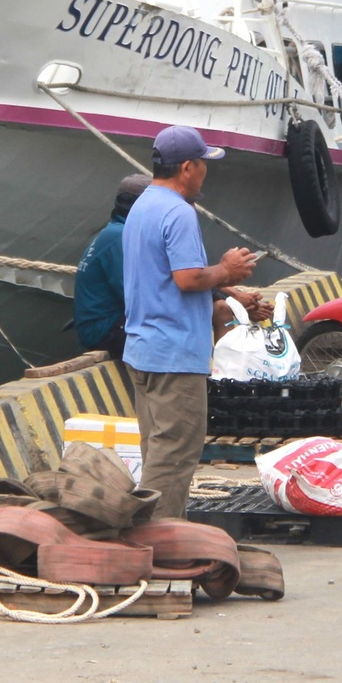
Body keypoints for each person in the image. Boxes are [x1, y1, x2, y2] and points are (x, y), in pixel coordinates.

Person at [122, 126, 264, 518]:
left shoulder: (142, 206)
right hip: (174, 355)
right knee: (175, 455)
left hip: (143, 350)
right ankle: (157, 542)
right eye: (203, 164)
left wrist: (227, 288)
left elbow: (161, 278)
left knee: (157, 450)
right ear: (187, 167)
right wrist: (227, 269)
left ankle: (156, 535)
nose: (205, 172)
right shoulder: (178, 212)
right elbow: (187, 279)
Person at [73, 174, 150, 357]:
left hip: (106, 323)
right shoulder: (121, 238)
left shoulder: (115, 232)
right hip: (103, 330)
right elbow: (137, 296)